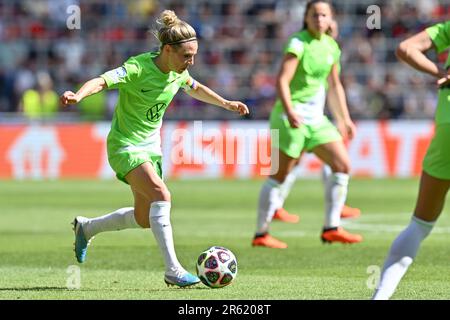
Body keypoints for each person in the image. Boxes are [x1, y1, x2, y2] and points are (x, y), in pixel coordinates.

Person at [60, 10, 249, 288]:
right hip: (125, 145)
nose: (191, 61)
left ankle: (87, 228)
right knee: (162, 193)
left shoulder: (178, 72)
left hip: (151, 148)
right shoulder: (137, 68)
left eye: (193, 55)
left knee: (144, 218)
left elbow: (195, 87)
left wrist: (226, 103)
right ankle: (173, 270)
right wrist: (78, 94)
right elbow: (102, 80)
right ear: (168, 50)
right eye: (186, 56)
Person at [252, 0, 363, 249]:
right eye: (314, 15)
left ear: (330, 19)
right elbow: (282, 79)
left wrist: (344, 118)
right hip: (291, 116)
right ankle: (261, 233)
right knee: (280, 174)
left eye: (323, 15)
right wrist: (290, 110)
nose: (319, 19)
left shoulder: (331, 46)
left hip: (316, 120)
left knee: (342, 164)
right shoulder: (298, 43)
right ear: (306, 18)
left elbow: (335, 85)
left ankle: (331, 227)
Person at [373, 21, 450, 300]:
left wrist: (441, 71)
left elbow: (406, 48)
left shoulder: (447, 28)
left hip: (447, 127)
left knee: (419, 224)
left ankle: (380, 297)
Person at [273, 18, 361, 225]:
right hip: (302, 114)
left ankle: (334, 204)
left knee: (322, 159)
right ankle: (276, 205)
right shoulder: (310, 48)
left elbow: (333, 87)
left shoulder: (329, 52)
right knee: (294, 162)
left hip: (316, 115)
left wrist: (342, 118)